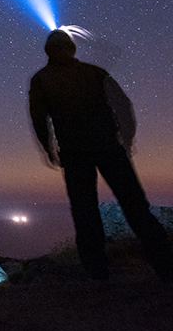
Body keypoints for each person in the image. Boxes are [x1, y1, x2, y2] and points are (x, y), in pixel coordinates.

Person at [29, 29, 173, 282]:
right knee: (135, 205)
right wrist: (126, 140)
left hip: (75, 153)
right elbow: (123, 105)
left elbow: (40, 118)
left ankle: (97, 272)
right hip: (108, 147)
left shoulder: (42, 80)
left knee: (85, 211)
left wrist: (49, 148)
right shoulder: (95, 73)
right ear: (71, 48)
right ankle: (164, 263)